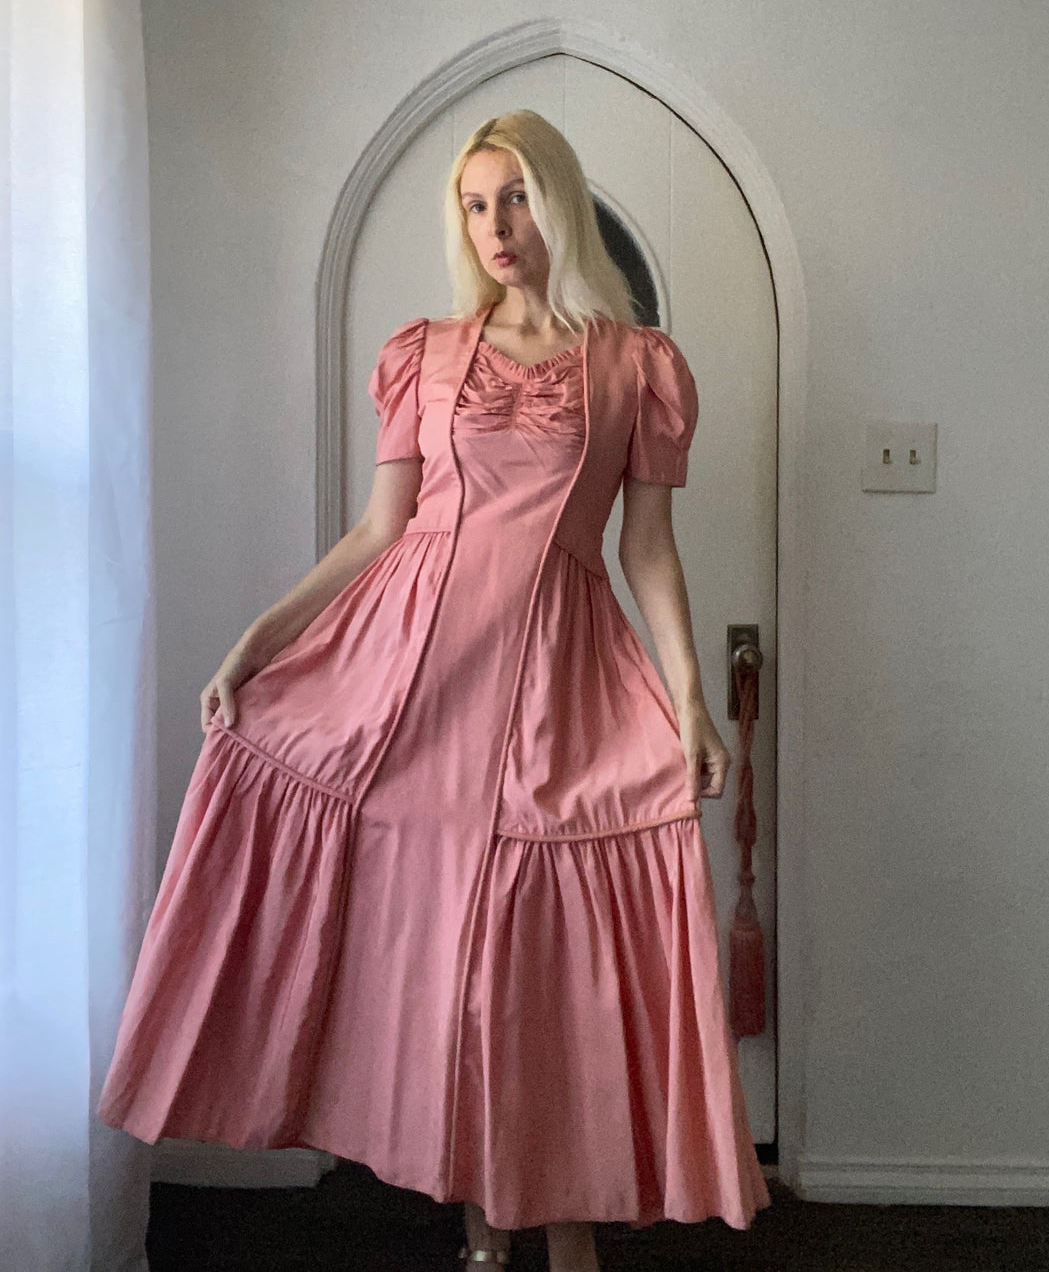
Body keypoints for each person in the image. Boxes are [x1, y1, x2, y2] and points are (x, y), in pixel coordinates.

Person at [97, 109, 770, 1270]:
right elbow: (378, 532)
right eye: (473, 204)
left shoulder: (634, 366)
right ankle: (479, 1229)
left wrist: (691, 702)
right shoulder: (428, 354)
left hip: (554, 677)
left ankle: (562, 1234)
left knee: (533, 966)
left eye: (514, 199)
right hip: (408, 683)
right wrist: (260, 640)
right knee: (437, 963)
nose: (494, 226)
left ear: (554, 204)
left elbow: (645, 549)